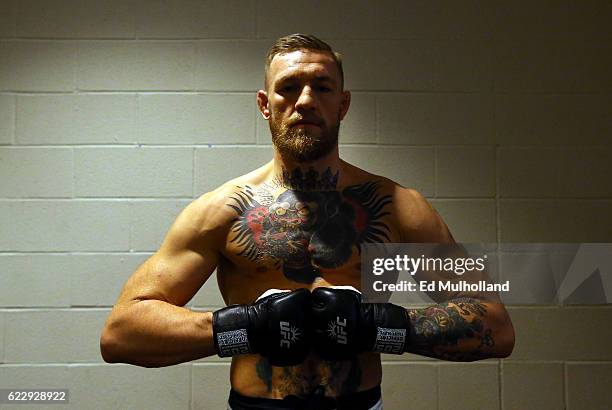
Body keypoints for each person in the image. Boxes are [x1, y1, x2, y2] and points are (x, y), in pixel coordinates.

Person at [100, 34, 515, 410]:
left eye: (322, 86)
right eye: (288, 87)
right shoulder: (221, 211)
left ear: (343, 103)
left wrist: (381, 327)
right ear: (265, 104)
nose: (305, 100)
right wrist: (247, 327)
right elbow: (122, 332)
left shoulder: (399, 207)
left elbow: (496, 327)